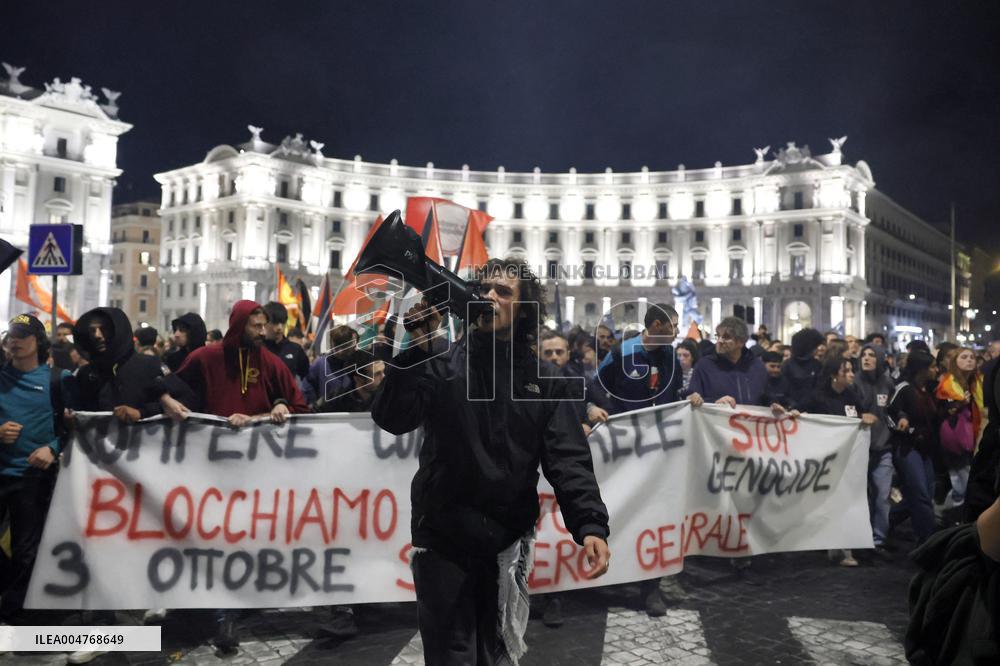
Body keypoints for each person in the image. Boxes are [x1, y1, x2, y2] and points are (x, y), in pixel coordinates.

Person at [371, 257, 610, 664]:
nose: (489, 297)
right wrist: (413, 351)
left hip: (506, 541)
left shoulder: (545, 380)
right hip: (443, 536)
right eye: (484, 289)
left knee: (496, 653)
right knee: (451, 655)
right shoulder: (441, 364)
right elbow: (393, 418)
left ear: (524, 309)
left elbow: (567, 457)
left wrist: (590, 524)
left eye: (503, 292)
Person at [158, 300, 310, 653]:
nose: (261, 332)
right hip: (206, 468)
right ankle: (199, 608)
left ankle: (226, 615)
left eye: (263, 326)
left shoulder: (268, 361)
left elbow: (296, 404)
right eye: (254, 326)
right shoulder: (205, 357)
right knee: (207, 536)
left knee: (238, 538)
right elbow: (166, 388)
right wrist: (167, 400)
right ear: (238, 325)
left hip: (252, 473)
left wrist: (278, 405)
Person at [686, 317, 789, 584]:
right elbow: (691, 398)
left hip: (750, 445)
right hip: (715, 445)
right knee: (719, 498)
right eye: (718, 336)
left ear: (741, 342)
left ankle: (741, 550)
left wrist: (773, 405)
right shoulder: (704, 366)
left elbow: (763, 396)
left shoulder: (756, 367)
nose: (719, 341)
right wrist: (712, 402)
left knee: (747, 498)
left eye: (726, 337)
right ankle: (711, 546)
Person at [0, 315, 74, 624]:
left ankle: (16, 616)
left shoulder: (60, 380)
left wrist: (53, 448)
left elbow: (78, 427)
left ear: (38, 342)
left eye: (22, 335)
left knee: (25, 549)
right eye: (11, 335)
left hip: (32, 479)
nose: (15, 341)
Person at [801, 356, 877, 567]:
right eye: (847, 370)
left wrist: (867, 417)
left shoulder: (851, 395)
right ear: (835, 374)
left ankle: (845, 548)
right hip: (823, 461)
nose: (852, 374)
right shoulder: (818, 397)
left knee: (848, 501)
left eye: (852, 370)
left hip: (848, 460)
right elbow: (799, 412)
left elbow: (863, 414)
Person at [73, 307, 166, 422]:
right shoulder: (86, 374)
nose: (97, 335)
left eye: (104, 329)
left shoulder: (149, 365)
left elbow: (184, 400)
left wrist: (141, 413)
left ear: (118, 331)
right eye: (92, 330)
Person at [595, 303, 683, 419]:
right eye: (673, 326)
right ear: (657, 325)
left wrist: (690, 395)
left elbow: (677, 391)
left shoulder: (671, 354)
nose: (678, 331)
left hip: (663, 428)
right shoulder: (621, 352)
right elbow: (597, 387)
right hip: (628, 429)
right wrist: (593, 408)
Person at [888, 350, 940, 545]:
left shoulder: (928, 389)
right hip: (907, 448)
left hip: (925, 448)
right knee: (920, 494)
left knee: (921, 494)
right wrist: (905, 427)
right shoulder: (903, 388)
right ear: (922, 370)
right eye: (933, 367)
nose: (936, 370)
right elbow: (890, 414)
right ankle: (927, 540)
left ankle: (886, 521)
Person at [853, 343, 896, 559]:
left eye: (872, 355)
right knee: (862, 496)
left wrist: (902, 417)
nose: (867, 358)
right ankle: (860, 538)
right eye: (864, 355)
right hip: (860, 449)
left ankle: (879, 539)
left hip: (883, 447)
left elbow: (894, 409)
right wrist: (860, 416)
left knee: (882, 496)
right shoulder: (854, 382)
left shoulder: (888, 383)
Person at [935, 347, 984, 515]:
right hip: (955, 439)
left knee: (964, 480)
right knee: (962, 481)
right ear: (955, 361)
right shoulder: (946, 384)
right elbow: (943, 410)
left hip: (974, 436)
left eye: (972, 357)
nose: (970, 360)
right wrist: (959, 403)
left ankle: (953, 515)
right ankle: (955, 517)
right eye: (964, 357)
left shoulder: (977, 381)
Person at [303, 324, 359, 405]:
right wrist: (313, 407)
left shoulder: (358, 362)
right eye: (336, 346)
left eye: (344, 346)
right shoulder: (320, 364)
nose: (339, 351)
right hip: (326, 415)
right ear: (331, 343)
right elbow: (307, 389)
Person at [314, 351, 385, 413]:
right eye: (377, 374)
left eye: (383, 371)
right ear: (358, 379)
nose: (384, 377)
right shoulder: (337, 400)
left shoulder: (387, 397)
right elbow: (312, 414)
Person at [262, 302, 310, 380]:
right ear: (264, 323)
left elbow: (307, 378)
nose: (279, 328)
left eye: (283, 322)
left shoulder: (295, 350)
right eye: (275, 323)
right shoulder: (256, 349)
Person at [782, 328, 825, 410]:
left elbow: (819, 389)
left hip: (812, 410)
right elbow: (783, 389)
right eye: (814, 347)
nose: (817, 350)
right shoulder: (787, 366)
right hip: (791, 409)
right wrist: (793, 405)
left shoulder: (817, 365)